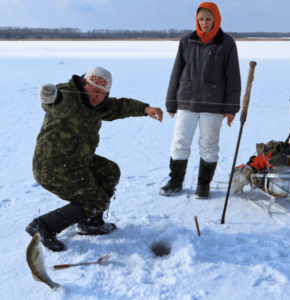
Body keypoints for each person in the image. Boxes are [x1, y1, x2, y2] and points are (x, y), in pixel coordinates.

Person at [26, 66, 163, 251]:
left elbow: (119, 106)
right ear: (84, 83)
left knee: (109, 171)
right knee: (96, 200)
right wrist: (52, 97)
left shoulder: (97, 104)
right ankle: (43, 225)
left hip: (77, 162)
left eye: (104, 93)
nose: (99, 96)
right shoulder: (71, 97)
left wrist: (145, 108)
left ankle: (90, 222)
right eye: (96, 91)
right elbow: (60, 105)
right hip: (52, 167)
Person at [159, 2, 241, 199]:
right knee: (179, 142)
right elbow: (176, 71)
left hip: (213, 105)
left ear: (216, 19)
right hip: (186, 101)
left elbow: (233, 77)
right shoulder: (187, 40)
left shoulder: (226, 42)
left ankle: (203, 185)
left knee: (209, 145)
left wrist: (231, 109)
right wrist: (171, 102)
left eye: (208, 19)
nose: (204, 23)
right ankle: (176, 181)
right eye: (201, 19)